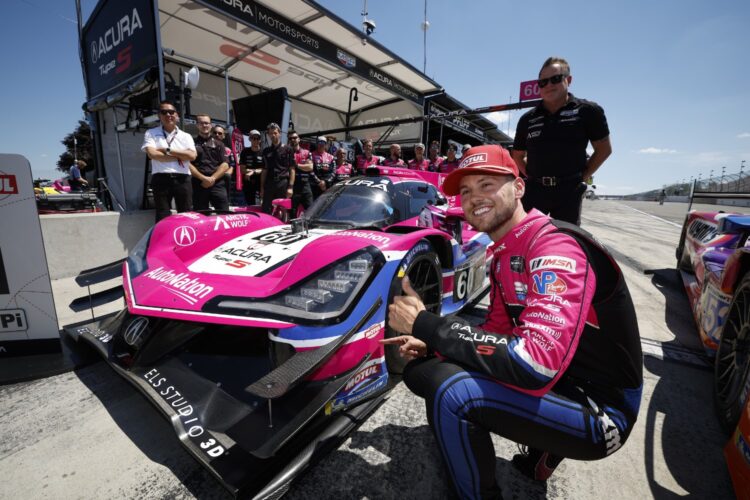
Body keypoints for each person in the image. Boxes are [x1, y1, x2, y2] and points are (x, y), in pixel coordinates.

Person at [382, 144, 642, 499]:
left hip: (604, 411)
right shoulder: (504, 254)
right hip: (565, 381)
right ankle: (543, 452)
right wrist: (434, 344)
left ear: (518, 188)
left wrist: (427, 325)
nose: (474, 198)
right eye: (465, 191)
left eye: (487, 184)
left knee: (453, 392)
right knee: (422, 371)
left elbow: (534, 363)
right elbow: (496, 334)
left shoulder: (555, 246)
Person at [512, 56, 612, 226]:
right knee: (527, 238)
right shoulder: (527, 119)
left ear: (568, 80)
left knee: (565, 242)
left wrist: (582, 177)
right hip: (534, 190)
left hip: (569, 191)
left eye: (555, 79)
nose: (549, 85)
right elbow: (517, 155)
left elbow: (604, 150)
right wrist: (530, 175)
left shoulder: (588, 111)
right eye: (543, 82)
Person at [142, 101, 197, 222]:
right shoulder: (150, 133)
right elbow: (153, 154)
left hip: (183, 178)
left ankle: (187, 240)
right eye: (164, 112)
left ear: (176, 115)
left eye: (171, 112)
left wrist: (167, 150)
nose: (168, 115)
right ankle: (164, 240)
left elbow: (192, 156)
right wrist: (180, 156)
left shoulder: (186, 136)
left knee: (186, 214)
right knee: (162, 215)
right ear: (159, 116)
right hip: (161, 178)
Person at [190, 114, 229, 212]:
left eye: (206, 123)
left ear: (210, 125)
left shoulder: (219, 144)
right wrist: (203, 178)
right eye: (201, 123)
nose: (204, 125)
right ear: (197, 125)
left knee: (224, 213)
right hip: (199, 183)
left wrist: (212, 179)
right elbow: (187, 164)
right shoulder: (191, 143)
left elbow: (225, 165)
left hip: (217, 183)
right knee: (200, 216)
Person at [260, 123, 296, 214]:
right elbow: (264, 170)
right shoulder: (266, 151)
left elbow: (292, 169)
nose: (273, 135)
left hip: (282, 183)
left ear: (279, 133)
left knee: (283, 212)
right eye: (271, 133)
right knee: (266, 210)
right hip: (269, 183)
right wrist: (262, 188)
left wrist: (290, 187)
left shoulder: (288, 149)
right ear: (268, 135)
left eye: (275, 133)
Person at [288, 131, 318, 216]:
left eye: (294, 138)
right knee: (292, 214)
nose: (292, 140)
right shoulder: (287, 153)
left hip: (305, 186)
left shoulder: (307, 152)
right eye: (290, 138)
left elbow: (310, 167)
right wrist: (303, 166)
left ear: (298, 139)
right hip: (293, 187)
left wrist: (296, 165)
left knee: (310, 212)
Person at [239, 129, 264, 206]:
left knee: (262, 204)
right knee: (250, 205)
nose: (256, 140)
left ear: (260, 140)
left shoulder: (264, 152)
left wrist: (252, 171)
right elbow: (242, 169)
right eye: (253, 138)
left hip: (261, 183)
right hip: (248, 183)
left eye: (258, 138)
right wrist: (250, 171)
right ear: (250, 139)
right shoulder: (245, 152)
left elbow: (265, 169)